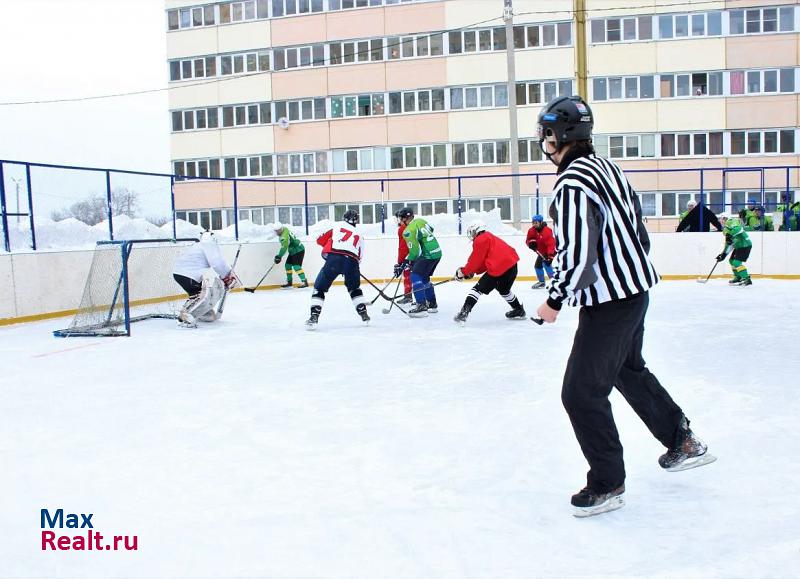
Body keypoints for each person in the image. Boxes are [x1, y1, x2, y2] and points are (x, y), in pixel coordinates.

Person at [534, 95, 715, 517]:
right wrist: (633, 272)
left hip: (611, 302)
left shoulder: (573, 183)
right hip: (635, 291)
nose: (544, 142)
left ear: (559, 136)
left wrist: (554, 300)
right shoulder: (609, 169)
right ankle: (682, 441)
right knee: (627, 372)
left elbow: (578, 253)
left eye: (546, 134)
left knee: (580, 393)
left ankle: (607, 482)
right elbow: (637, 227)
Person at [453, 220, 526, 324]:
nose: (472, 235)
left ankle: (463, 313)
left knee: (477, 289)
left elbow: (475, 260)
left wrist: (463, 272)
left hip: (499, 268)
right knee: (504, 290)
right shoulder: (489, 236)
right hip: (512, 265)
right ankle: (519, 310)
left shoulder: (480, 240)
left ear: (477, 231)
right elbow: (484, 261)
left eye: (472, 232)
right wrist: (472, 271)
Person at [306, 209, 369, 328]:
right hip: (352, 262)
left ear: (344, 218)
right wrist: (351, 266)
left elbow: (320, 240)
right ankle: (363, 313)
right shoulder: (360, 235)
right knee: (354, 288)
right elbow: (360, 256)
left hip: (334, 259)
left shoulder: (336, 226)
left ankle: (314, 316)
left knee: (319, 289)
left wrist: (331, 246)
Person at [172, 232, 238, 327]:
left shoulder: (201, 245)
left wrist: (227, 274)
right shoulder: (208, 245)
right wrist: (227, 276)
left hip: (182, 274)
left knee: (198, 295)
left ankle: (202, 311)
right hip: (187, 275)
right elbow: (217, 263)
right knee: (201, 296)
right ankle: (185, 316)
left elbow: (219, 261)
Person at [397, 207, 442, 317]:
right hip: (437, 252)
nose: (400, 222)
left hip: (427, 254)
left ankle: (421, 306)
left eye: (401, 219)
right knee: (424, 278)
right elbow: (431, 229)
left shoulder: (408, 231)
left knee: (415, 276)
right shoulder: (421, 221)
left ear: (405, 219)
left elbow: (415, 251)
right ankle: (432, 304)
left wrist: (406, 261)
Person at [717, 213, 753, 286]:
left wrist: (730, 235)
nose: (720, 221)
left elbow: (739, 229)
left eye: (721, 219)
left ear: (725, 218)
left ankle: (747, 279)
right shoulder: (725, 229)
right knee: (731, 261)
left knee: (736, 263)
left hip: (744, 245)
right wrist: (723, 254)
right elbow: (729, 243)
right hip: (738, 246)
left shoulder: (731, 221)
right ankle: (738, 276)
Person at [273, 223, 308, 288]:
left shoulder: (284, 237)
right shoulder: (285, 229)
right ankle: (289, 282)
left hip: (298, 250)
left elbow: (284, 247)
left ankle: (304, 282)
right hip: (293, 251)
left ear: (281, 229)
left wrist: (279, 256)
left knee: (296, 266)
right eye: (276, 231)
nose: (277, 232)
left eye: (278, 230)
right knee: (287, 265)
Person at [525, 214, 555, 289]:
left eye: (536, 223)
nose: (534, 224)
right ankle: (541, 282)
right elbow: (528, 240)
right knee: (537, 267)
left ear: (541, 222)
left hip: (549, 251)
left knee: (546, 264)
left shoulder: (547, 231)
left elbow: (551, 244)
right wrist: (531, 243)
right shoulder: (531, 230)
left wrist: (550, 256)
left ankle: (554, 282)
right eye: (533, 223)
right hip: (541, 252)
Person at [393, 210, 413, 304]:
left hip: (408, 257)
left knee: (408, 277)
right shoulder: (409, 227)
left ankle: (408, 296)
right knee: (411, 277)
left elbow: (403, 247)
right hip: (412, 255)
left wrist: (401, 261)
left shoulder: (402, 229)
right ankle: (409, 296)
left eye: (399, 218)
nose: (398, 221)